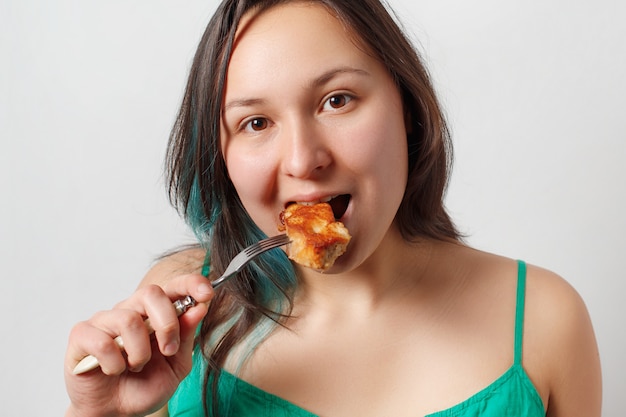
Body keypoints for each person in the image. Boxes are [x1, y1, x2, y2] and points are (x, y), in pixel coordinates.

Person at [64, 0, 602, 416]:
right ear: (222, 155)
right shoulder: (178, 317)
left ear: (407, 108)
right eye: (256, 123)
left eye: (337, 100)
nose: (303, 159)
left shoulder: (544, 322)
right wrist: (98, 412)